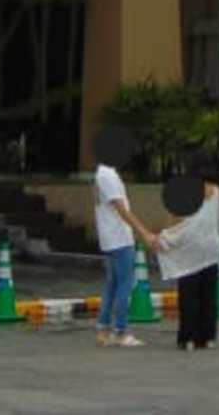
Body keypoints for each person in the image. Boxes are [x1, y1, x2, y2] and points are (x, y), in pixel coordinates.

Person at [91, 131, 163, 348]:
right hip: (119, 237)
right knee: (125, 285)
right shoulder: (108, 175)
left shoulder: (102, 173)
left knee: (112, 284)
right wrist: (144, 232)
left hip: (110, 236)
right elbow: (121, 210)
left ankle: (103, 329)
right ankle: (121, 331)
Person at [154, 160, 219, 352]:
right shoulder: (216, 191)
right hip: (210, 248)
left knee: (189, 296)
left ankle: (188, 338)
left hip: (190, 252)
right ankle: (208, 337)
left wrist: (163, 236)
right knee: (208, 296)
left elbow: (178, 221)